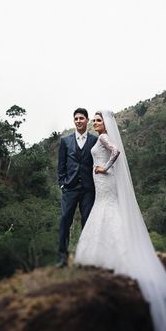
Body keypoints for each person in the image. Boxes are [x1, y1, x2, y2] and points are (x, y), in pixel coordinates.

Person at [75, 109, 166, 331]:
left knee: (108, 213)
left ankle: (117, 261)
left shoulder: (105, 139)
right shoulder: (99, 139)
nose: (96, 123)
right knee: (105, 212)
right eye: (94, 120)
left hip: (105, 184)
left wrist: (104, 168)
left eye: (99, 120)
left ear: (106, 123)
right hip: (103, 189)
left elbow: (115, 152)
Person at [56, 108, 98, 268]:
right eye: (76, 118)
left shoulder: (94, 141)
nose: (79, 121)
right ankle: (62, 258)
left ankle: (85, 257)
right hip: (70, 188)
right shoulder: (65, 141)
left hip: (88, 188)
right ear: (74, 121)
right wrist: (62, 182)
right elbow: (61, 165)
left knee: (87, 223)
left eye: (82, 118)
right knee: (65, 220)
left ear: (87, 121)